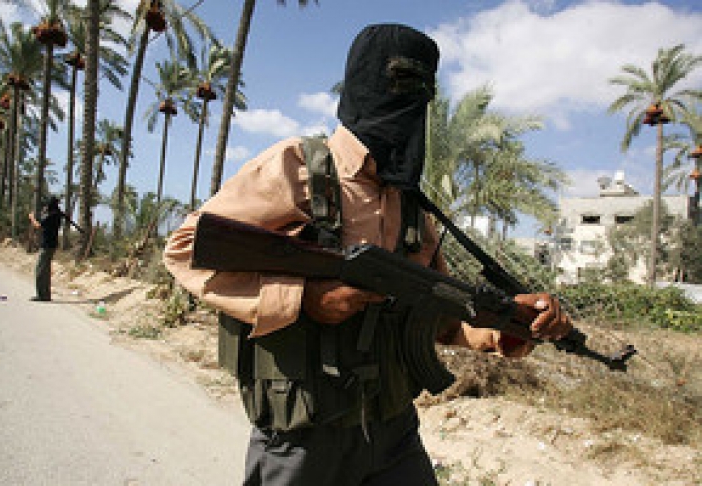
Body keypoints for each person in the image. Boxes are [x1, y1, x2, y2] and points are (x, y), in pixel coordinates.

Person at [164, 23, 571, 486]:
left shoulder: (412, 207)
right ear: (364, 82)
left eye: (422, 90)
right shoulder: (297, 167)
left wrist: (514, 324)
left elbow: (441, 320)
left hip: (393, 433)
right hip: (303, 437)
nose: (410, 104)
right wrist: (303, 298)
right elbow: (184, 249)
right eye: (401, 82)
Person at [28, 196, 82, 302]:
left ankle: (41, 295)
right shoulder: (56, 215)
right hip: (52, 245)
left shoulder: (51, 216)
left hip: (46, 246)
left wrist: (32, 218)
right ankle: (46, 295)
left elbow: (38, 225)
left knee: (40, 271)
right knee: (46, 271)